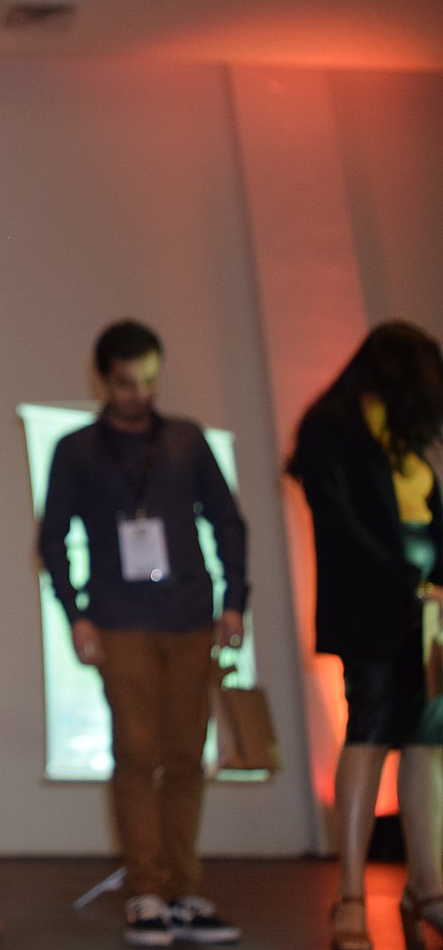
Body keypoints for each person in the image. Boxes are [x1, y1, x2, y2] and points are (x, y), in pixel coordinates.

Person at [37, 319, 247, 948]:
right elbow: (52, 538)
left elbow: (227, 520)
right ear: (103, 379)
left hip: (190, 615)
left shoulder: (186, 440)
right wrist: (75, 614)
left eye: (150, 381)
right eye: (128, 382)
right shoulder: (77, 450)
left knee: (185, 756)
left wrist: (235, 601)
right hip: (118, 618)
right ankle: (146, 891)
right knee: (136, 752)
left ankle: (182, 891)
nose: (140, 394)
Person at [285, 321, 443, 950]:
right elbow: (339, 521)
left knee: (429, 740)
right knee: (370, 732)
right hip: (371, 606)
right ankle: (350, 897)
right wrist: (404, 578)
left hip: (429, 609)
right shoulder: (332, 426)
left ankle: (427, 889)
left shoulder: (412, 432)